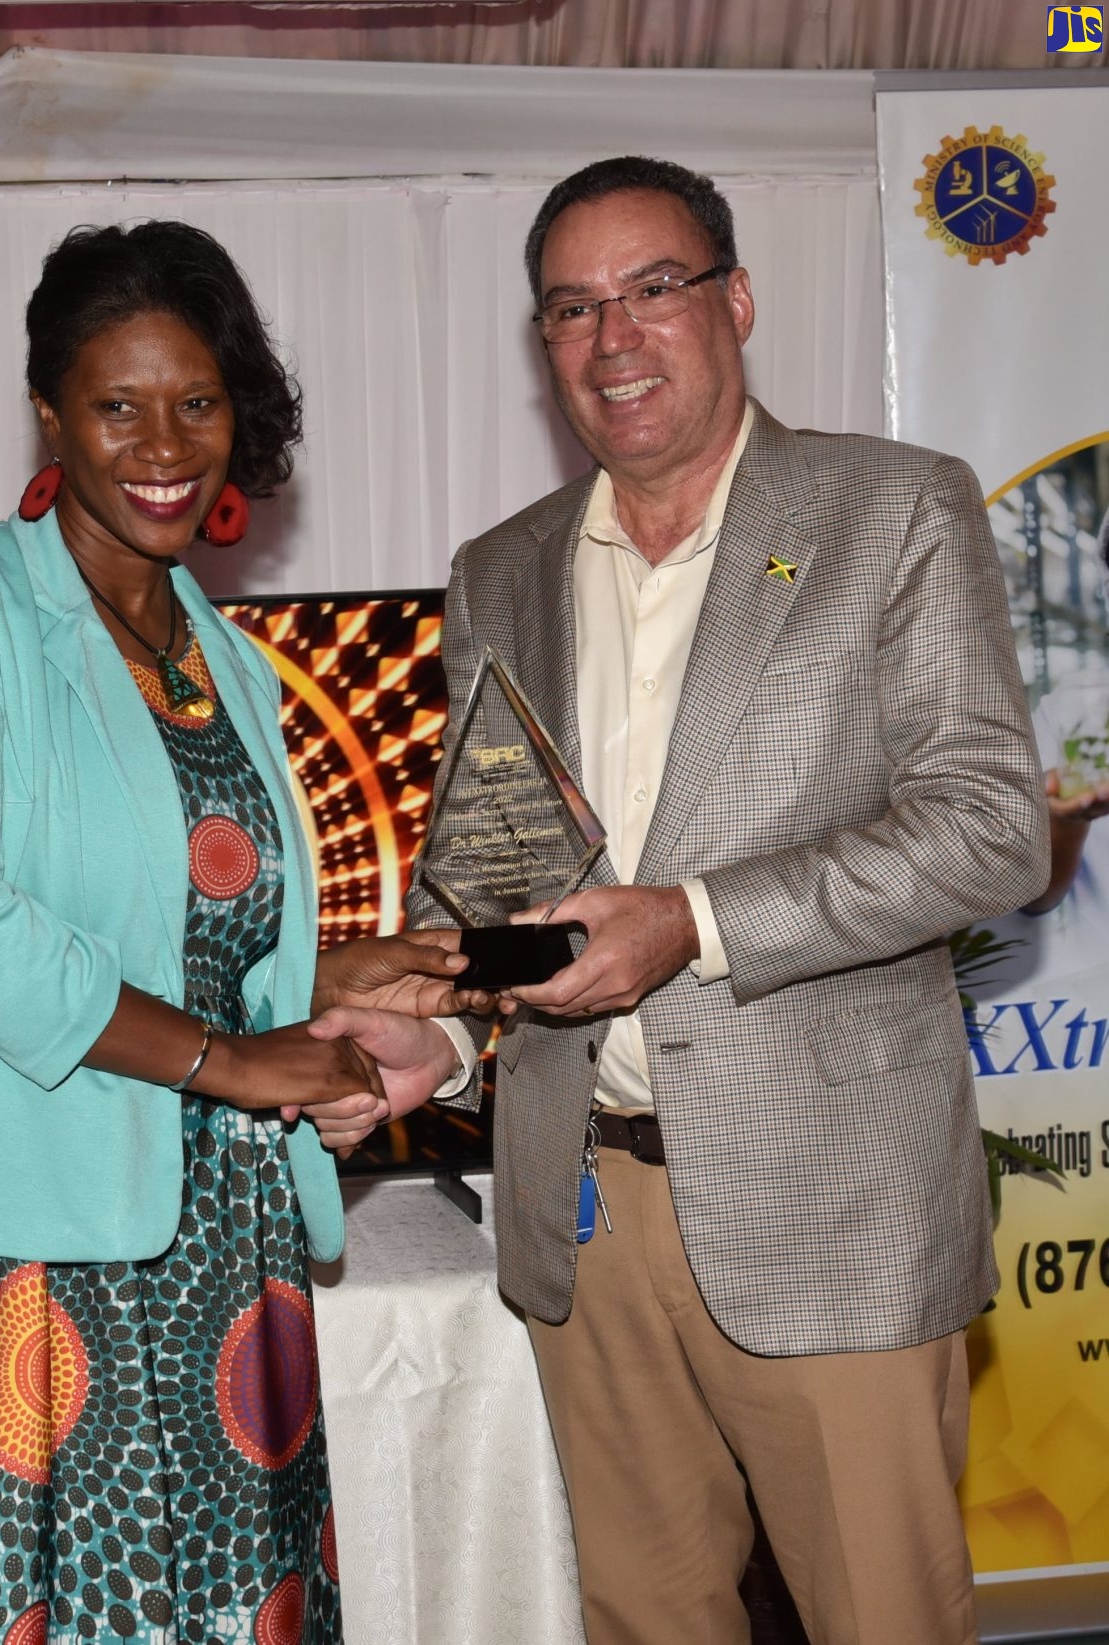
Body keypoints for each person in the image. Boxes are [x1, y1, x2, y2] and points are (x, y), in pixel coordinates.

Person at [312, 157, 1049, 1644]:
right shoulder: (500, 570)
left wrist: (696, 920)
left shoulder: (890, 508)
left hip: (829, 1207)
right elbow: (502, 880)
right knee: (644, 1623)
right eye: (572, 309)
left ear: (737, 302)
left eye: (653, 289)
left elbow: (988, 830)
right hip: (585, 1215)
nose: (614, 338)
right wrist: (442, 1048)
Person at [0, 220, 487, 1645]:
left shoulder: (226, 659)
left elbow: (159, 925)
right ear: (49, 410)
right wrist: (235, 1057)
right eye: (117, 403)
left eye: (196, 401)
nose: (163, 441)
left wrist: (320, 979)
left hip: (204, 1233)